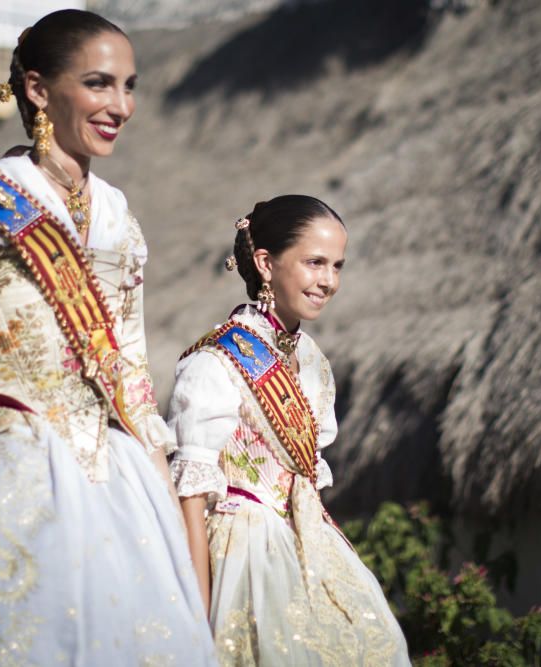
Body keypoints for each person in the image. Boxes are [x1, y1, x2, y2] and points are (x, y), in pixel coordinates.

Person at [0, 10, 216, 664]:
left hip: (120, 489)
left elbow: (134, 389)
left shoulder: (121, 221)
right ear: (38, 89)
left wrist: (180, 551)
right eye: (99, 83)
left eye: (129, 85)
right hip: (10, 473)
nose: (120, 105)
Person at [169, 195, 410, 665]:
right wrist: (195, 610)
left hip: (307, 547)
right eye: (315, 263)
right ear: (265, 262)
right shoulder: (214, 362)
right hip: (241, 558)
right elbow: (189, 497)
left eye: (338, 266)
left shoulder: (314, 362)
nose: (329, 281)